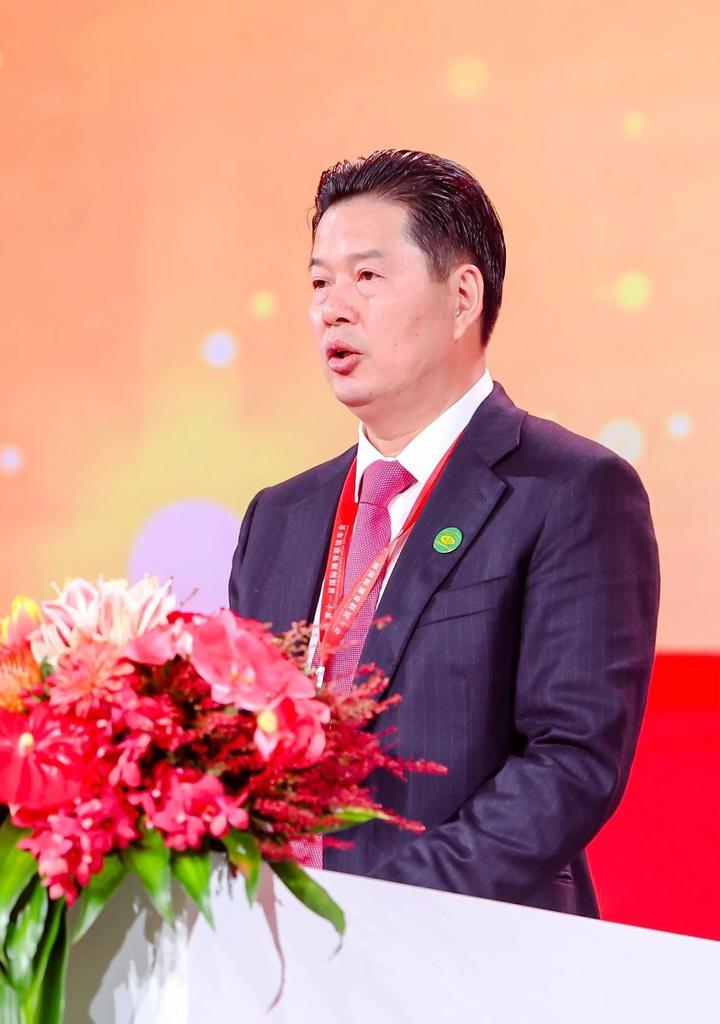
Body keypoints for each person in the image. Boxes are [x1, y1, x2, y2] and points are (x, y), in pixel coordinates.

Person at [229, 149, 660, 916]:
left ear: (462, 298)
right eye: (320, 282)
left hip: (469, 948)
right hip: (276, 949)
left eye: (367, 276)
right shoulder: (278, 517)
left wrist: (384, 912)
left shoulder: (569, 490)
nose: (332, 309)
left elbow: (570, 762)